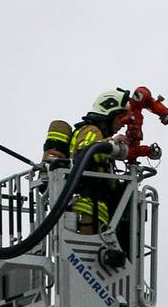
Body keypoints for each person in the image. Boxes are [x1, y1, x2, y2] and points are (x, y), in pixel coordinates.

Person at [43, 90, 133, 265]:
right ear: (109, 112)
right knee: (87, 262)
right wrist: (111, 143)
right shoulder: (91, 130)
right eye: (120, 118)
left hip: (94, 207)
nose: (122, 124)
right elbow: (86, 153)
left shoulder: (96, 132)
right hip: (88, 207)